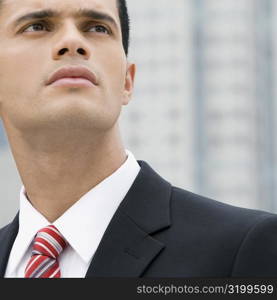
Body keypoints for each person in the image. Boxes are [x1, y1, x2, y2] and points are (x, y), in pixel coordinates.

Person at [0, 0, 276, 278]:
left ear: (127, 81)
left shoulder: (244, 249)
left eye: (97, 27)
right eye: (37, 26)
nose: (73, 41)